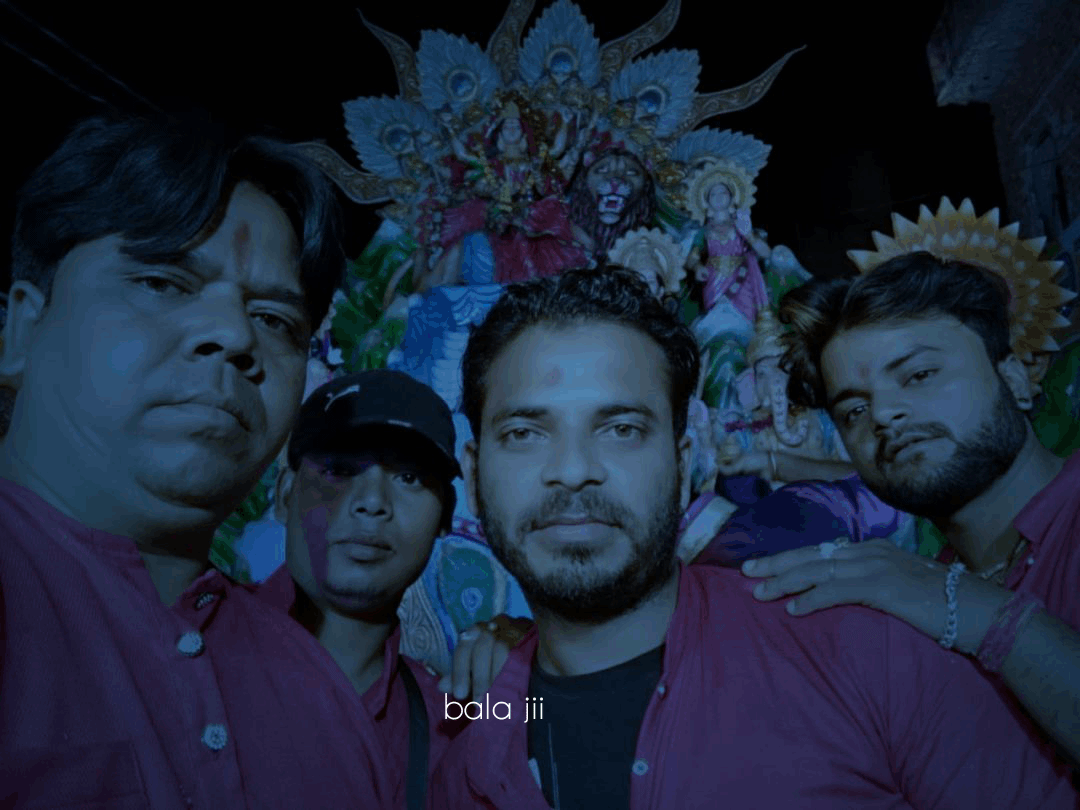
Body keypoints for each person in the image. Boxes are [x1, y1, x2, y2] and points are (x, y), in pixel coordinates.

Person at [428, 266, 1077, 808]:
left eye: (622, 429)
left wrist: (989, 619)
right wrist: (509, 672)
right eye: (524, 433)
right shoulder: (482, 715)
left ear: (685, 464)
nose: (572, 469)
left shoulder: (861, 650)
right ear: (474, 475)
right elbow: (539, 712)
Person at [0, 112, 394, 807]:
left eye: (274, 320)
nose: (234, 333)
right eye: (163, 281)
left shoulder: (323, 699)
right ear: (22, 330)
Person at [743, 251, 1080, 767]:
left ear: (1013, 377)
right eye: (854, 409)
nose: (883, 413)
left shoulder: (927, 587)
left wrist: (978, 612)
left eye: (919, 374)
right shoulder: (912, 591)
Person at [273, 369, 525, 809]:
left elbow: (549, 717)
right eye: (339, 469)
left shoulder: (450, 713)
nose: (372, 502)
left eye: (408, 477)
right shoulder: (188, 649)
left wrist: (532, 671)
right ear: (284, 495)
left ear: (444, 517)